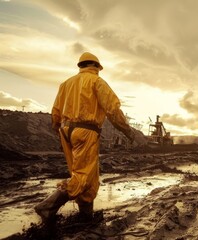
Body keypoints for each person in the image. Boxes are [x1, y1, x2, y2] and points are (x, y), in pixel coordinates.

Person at [34, 52, 135, 222]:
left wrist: (59, 134)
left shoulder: (65, 84)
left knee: (83, 173)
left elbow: (55, 113)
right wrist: (127, 130)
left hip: (65, 130)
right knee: (84, 175)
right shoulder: (97, 82)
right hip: (86, 131)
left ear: (80, 66)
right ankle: (48, 206)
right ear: (95, 67)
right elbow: (112, 109)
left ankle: (86, 215)